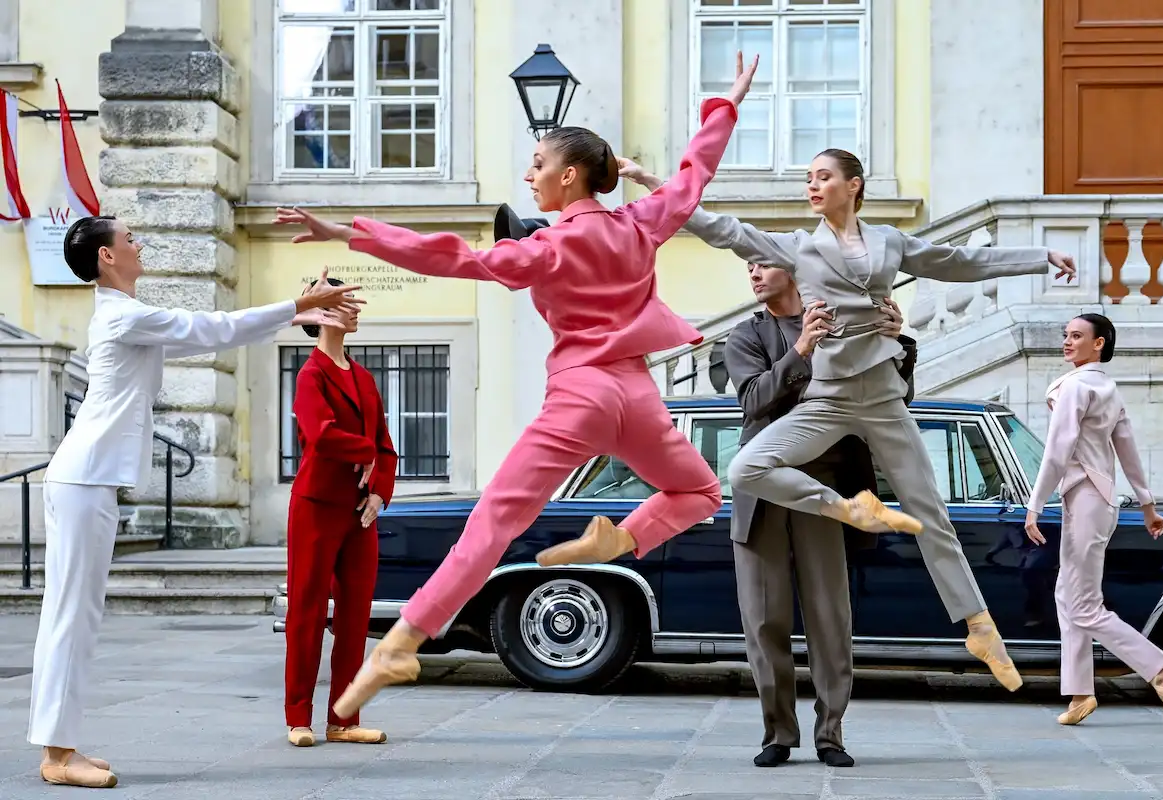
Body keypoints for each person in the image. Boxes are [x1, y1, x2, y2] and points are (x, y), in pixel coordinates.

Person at [273, 51, 761, 720]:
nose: (529, 178)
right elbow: (694, 173)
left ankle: (405, 640)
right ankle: (620, 541)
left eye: (537, 166)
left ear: (568, 176)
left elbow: (452, 256)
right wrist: (726, 103)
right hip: (640, 401)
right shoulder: (642, 224)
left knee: (496, 523)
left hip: (581, 398)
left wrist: (349, 231)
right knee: (703, 490)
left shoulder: (547, 248)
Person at [618, 149, 1079, 691]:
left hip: (882, 396)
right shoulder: (797, 246)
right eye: (809, 178)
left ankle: (979, 627)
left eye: (823, 177)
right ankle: (846, 509)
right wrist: (654, 182)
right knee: (747, 467)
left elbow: (957, 261)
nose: (812, 185)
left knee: (932, 515)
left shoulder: (890, 241)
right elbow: (721, 229)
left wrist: (1040, 255)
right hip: (828, 396)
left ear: (853, 185)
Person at [27, 216, 362, 789]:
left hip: (87, 482)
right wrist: (293, 304)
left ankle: (62, 747)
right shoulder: (124, 314)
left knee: (75, 618)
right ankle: (58, 756)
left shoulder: (128, 317)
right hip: (82, 481)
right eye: (130, 238)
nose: (139, 243)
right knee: (70, 619)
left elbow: (216, 332)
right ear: (108, 257)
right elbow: (212, 327)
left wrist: (296, 313)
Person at [721, 258, 915, 769]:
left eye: (764, 264)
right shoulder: (744, 336)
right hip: (763, 493)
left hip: (827, 491)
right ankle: (778, 733)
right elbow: (754, 401)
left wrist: (898, 345)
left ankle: (831, 733)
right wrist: (802, 349)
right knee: (765, 620)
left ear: (795, 270)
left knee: (831, 618)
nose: (754, 274)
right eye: (748, 266)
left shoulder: (842, 323)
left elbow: (889, 399)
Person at [1024, 313, 1163, 728]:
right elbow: (1126, 447)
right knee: (1068, 597)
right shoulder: (1107, 387)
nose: (1067, 341)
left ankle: (1160, 673)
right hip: (1099, 500)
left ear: (1100, 343)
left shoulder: (1075, 387)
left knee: (1085, 606)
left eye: (1076, 336)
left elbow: (1057, 449)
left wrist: (1034, 504)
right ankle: (1081, 693)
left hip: (1087, 499)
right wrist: (1147, 504)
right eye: (1066, 335)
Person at [283, 277, 397, 748]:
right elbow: (320, 434)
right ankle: (298, 719)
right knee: (306, 615)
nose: (354, 311)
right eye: (343, 303)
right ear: (323, 314)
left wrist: (379, 493)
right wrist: (365, 451)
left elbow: (387, 448)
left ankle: (343, 719)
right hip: (316, 508)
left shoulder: (365, 377)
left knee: (355, 618)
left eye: (353, 303)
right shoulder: (310, 375)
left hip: (359, 513)